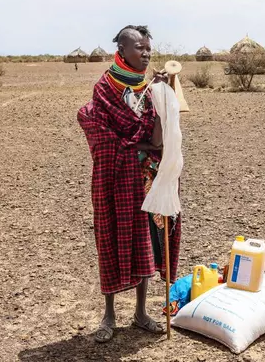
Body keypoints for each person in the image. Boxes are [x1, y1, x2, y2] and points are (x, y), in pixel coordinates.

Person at [77, 25, 182, 343]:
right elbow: (94, 125)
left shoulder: (150, 89)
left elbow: (157, 137)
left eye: (148, 47)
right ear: (121, 51)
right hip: (114, 177)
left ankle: (140, 314)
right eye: (139, 47)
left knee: (146, 242)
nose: (146, 52)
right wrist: (131, 148)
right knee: (111, 237)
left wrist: (164, 97)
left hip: (146, 179)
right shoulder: (105, 88)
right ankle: (108, 315)